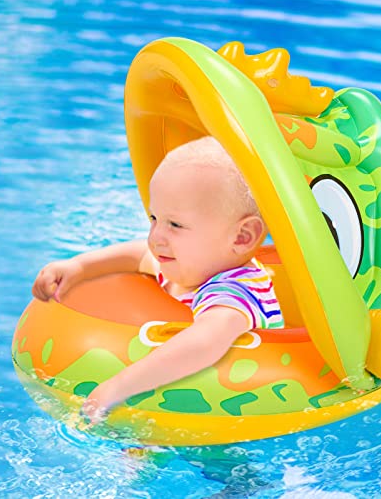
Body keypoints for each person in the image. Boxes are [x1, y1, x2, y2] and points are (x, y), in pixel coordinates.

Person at [32, 136, 284, 424]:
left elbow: (204, 343)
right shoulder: (190, 262)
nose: (156, 237)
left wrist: (116, 388)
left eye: (175, 224)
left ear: (242, 237)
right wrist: (78, 266)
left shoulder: (235, 293)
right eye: (154, 218)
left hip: (226, 410)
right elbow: (138, 255)